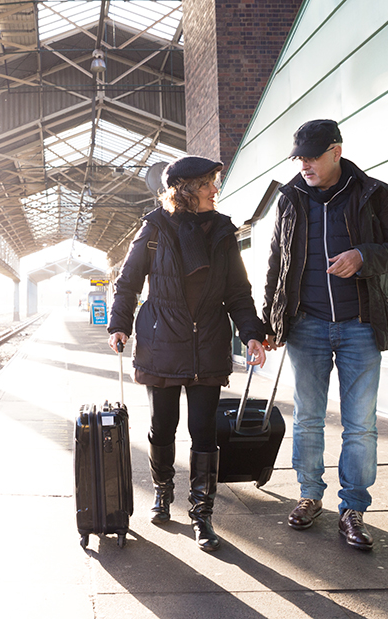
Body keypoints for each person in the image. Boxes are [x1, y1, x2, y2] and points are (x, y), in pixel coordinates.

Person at [261, 120, 388, 551]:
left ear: (336, 150)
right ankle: (310, 495)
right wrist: (269, 322)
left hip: (361, 326)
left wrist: (363, 256)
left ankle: (353, 509)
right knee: (308, 418)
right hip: (306, 325)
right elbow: (277, 261)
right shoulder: (290, 198)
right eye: (299, 157)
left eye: (312, 156)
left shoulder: (376, 194)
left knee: (360, 425)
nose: (304, 165)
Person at [107, 156, 267, 552]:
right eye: (209, 183)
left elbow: (238, 292)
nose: (216, 189)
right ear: (185, 189)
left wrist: (252, 333)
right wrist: (119, 324)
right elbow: (128, 283)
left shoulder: (224, 232)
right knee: (162, 427)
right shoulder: (155, 228)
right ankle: (163, 492)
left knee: (203, 431)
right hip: (162, 342)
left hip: (208, 343)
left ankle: (202, 513)